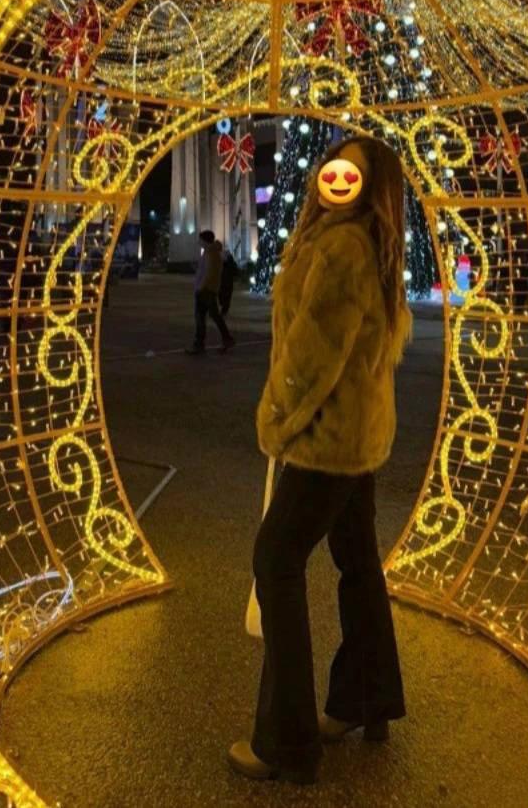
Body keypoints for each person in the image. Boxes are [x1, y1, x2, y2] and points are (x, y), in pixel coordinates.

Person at [228, 135, 413, 785]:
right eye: (332, 169)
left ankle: (286, 740)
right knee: (357, 561)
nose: (334, 180)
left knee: (275, 561)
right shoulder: (369, 243)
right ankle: (365, 697)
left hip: (325, 437)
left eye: (350, 174)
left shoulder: (341, 248)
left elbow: (312, 357)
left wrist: (277, 418)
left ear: (370, 188)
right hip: (358, 436)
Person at [186, 229, 236, 354]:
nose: (199, 242)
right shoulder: (211, 252)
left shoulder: (211, 253)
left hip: (206, 290)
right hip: (208, 289)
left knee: (202, 318)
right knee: (213, 316)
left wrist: (201, 287)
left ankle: (201, 344)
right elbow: (206, 271)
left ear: (205, 240)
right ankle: (225, 339)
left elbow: (209, 273)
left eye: (200, 240)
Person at [219, 246, 239, 318]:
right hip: (224, 283)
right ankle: (224, 309)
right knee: (224, 297)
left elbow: (235, 272)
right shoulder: (221, 263)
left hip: (227, 283)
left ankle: (224, 310)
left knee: (225, 297)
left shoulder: (229, 264)